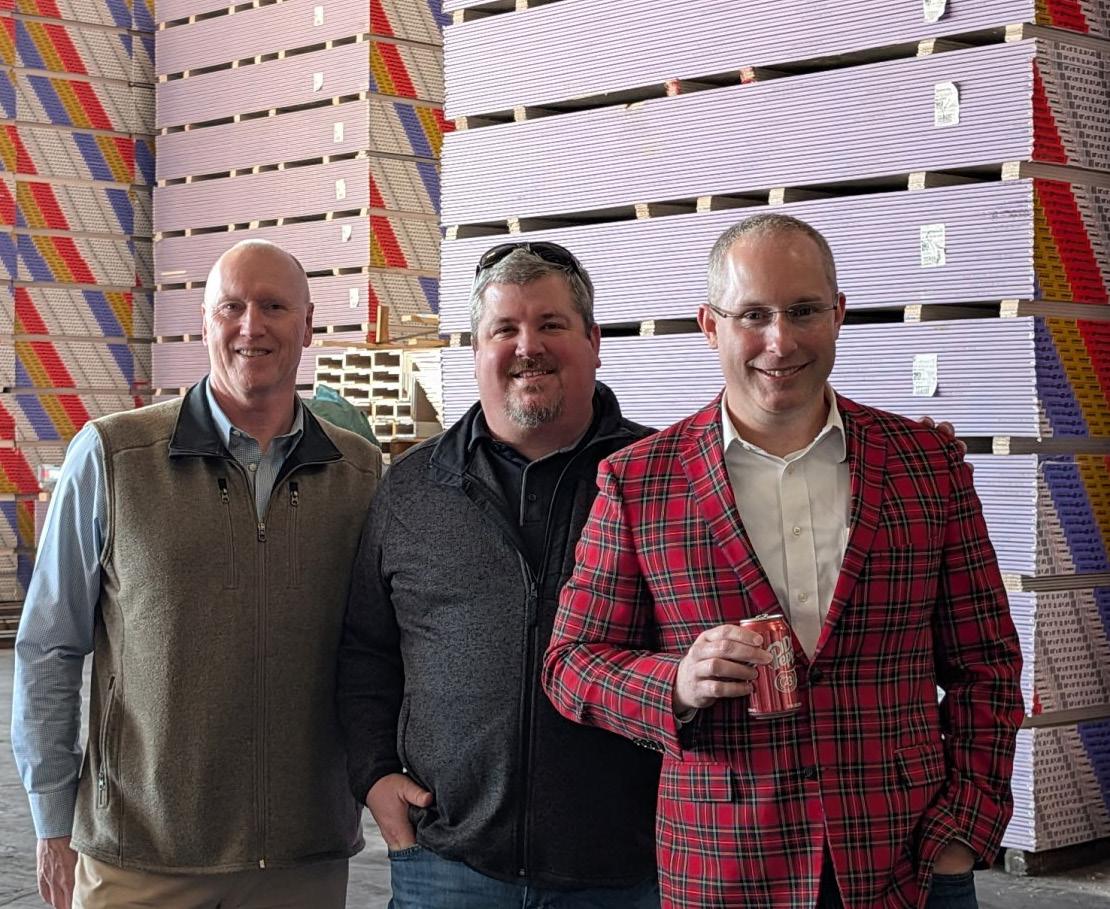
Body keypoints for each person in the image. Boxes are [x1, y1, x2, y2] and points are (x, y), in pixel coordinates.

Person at [542, 214, 1024, 909]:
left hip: (908, 864)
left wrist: (965, 826)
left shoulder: (926, 466)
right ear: (710, 326)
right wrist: (676, 681)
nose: (781, 340)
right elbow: (571, 663)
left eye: (803, 311)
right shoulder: (639, 481)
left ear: (839, 314)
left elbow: (988, 664)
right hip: (726, 870)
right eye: (753, 315)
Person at [12, 239, 382, 909]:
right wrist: (52, 819)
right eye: (231, 307)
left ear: (308, 324)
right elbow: (48, 645)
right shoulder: (114, 458)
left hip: (301, 857)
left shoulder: (357, 473)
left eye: (273, 306)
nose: (251, 325)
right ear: (204, 324)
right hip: (140, 856)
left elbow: (380, 650)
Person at [337, 241, 662, 907]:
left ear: (594, 342)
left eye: (551, 324)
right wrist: (374, 775)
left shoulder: (657, 479)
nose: (527, 346)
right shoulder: (414, 488)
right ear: (476, 349)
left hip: (623, 869)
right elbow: (366, 650)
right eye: (504, 329)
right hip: (448, 864)